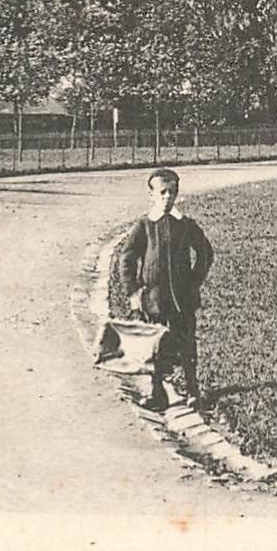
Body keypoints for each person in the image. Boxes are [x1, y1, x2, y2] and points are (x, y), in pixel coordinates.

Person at [114, 167, 214, 411]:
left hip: (182, 298)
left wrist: (193, 281)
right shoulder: (145, 226)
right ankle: (157, 391)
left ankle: (192, 390)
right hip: (154, 298)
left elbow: (205, 252)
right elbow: (127, 258)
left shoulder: (186, 225)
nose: (168, 197)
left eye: (172, 192)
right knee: (155, 345)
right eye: (162, 192)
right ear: (152, 195)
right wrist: (133, 292)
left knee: (187, 342)